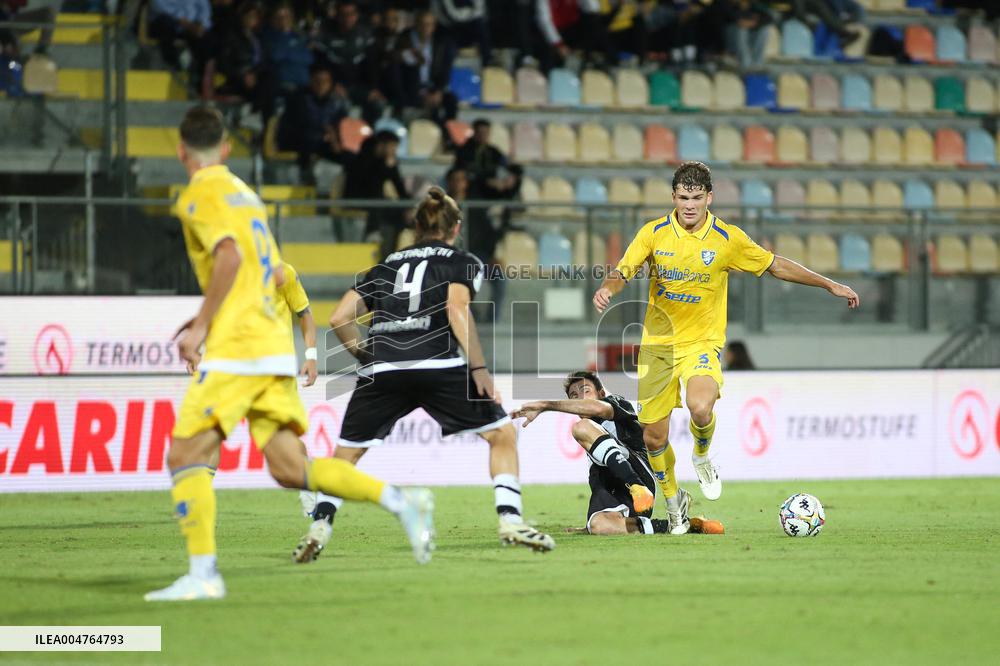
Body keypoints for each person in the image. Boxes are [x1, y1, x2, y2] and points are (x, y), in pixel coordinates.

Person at [145, 106, 434, 602]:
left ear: (180, 150)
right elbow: (265, 269)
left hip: (237, 348)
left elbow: (230, 258)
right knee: (288, 467)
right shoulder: (246, 194)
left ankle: (203, 574)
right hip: (270, 346)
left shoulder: (199, 193)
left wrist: (200, 325)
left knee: (184, 453)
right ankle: (400, 500)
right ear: (228, 148)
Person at [293, 187, 556, 562]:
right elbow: (456, 307)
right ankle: (510, 520)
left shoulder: (386, 265)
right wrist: (479, 368)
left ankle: (319, 526)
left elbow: (338, 318)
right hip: (438, 364)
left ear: (416, 226)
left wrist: (366, 353)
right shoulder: (462, 260)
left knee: (344, 458)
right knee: (501, 435)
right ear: (456, 227)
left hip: (383, 367)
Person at [592, 161, 859, 530]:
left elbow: (774, 265)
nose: (689, 205)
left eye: (696, 198)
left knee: (700, 407)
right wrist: (609, 287)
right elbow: (623, 270)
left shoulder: (726, 239)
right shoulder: (653, 234)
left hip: (701, 342)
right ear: (673, 197)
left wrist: (829, 284)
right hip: (657, 347)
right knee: (653, 436)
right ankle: (674, 502)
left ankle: (702, 456)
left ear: (709, 198)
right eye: (683, 197)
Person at [512, 370, 725, 535]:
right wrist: (587, 528)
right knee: (599, 526)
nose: (579, 398)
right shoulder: (590, 433)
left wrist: (545, 405)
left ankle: (636, 486)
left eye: (585, 391)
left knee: (581, 427)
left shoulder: (615, 404)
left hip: (638, 473)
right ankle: (677, 525)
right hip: (610, 485)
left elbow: (599, 410)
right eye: (573, 396)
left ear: (601, 394)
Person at [277, 63, 350, 185]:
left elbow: (342, 125)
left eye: (325, 81)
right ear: (311, 81)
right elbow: (295, 126)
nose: (321, 85)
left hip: (325, 143)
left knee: (348, 154)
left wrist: (334, 138)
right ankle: (305, 178)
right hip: (298, 141)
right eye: (317, 80)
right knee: (308, 139)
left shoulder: (336, 103)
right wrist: (324, 134)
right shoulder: (299, 98)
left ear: (331, 83)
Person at [343, 129, 408, 260]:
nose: (394, 151)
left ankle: (390, 254)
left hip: (375, 202)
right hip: (356, 198)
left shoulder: (386, 162)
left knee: (398, 213)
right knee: (381, 199)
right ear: (382, 145)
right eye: (392, 147)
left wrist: (408, 205)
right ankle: (372, 231)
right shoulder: (362, 159)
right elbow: (372, 186)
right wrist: (386, 167)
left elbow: (398, 186)